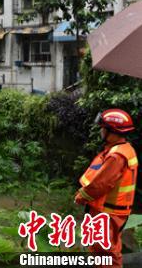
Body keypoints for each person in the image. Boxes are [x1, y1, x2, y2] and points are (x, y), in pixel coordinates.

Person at [75, 109, 138, 267]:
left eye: (103, 127)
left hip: (108, 211)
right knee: (105, 247)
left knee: (104, 250)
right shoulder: (124, 149)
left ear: (112, 131)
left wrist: (81, 196)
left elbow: (100, 184)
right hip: (113, 210)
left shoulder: (116, 156)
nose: (100, 131)